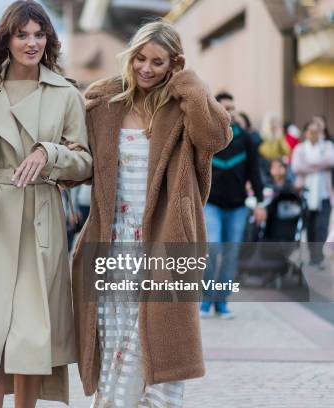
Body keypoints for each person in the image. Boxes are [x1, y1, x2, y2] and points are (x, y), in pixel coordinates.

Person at [71, 20, 232, 407]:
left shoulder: (183, 106)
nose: (145, 68)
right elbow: (78, 158)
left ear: (173, 64)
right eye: (140, 58)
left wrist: (190, 84)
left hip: (165, 239)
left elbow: (215, 137)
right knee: (115, 344)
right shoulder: (105, 103)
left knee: (160, 346)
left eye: (157, 62)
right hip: (113, 242)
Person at [0, 1, 92, 406]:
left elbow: (85, 162)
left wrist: (49, 153)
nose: (32, 43)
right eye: (22, 34)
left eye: (39, 34)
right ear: (5, 39)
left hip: (40, 218)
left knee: (30, 335)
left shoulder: (66, 94)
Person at [201, 91, 266, 319]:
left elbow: (254, 173)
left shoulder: (246, 139)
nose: (230, 111)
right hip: (211, 204)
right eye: (225, 107)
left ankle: (222, 301)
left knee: (230, 254)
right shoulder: (206, 137)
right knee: (213, 248)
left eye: (232, 107)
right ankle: (206, 299)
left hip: (237, 207)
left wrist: (260, 202)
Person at [291, 117, 334, 268]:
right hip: (305, 194)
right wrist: (319, 166)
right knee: (309, 227)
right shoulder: (300, 149)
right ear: (306, 133)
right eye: (310, 131)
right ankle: (312, 255)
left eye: (317, 131)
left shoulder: (327, 146)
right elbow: (297, 167)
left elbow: (331, 160)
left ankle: (318, 257)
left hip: (324, 194)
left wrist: (309, 165)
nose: (313, 134)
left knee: (321, 227)